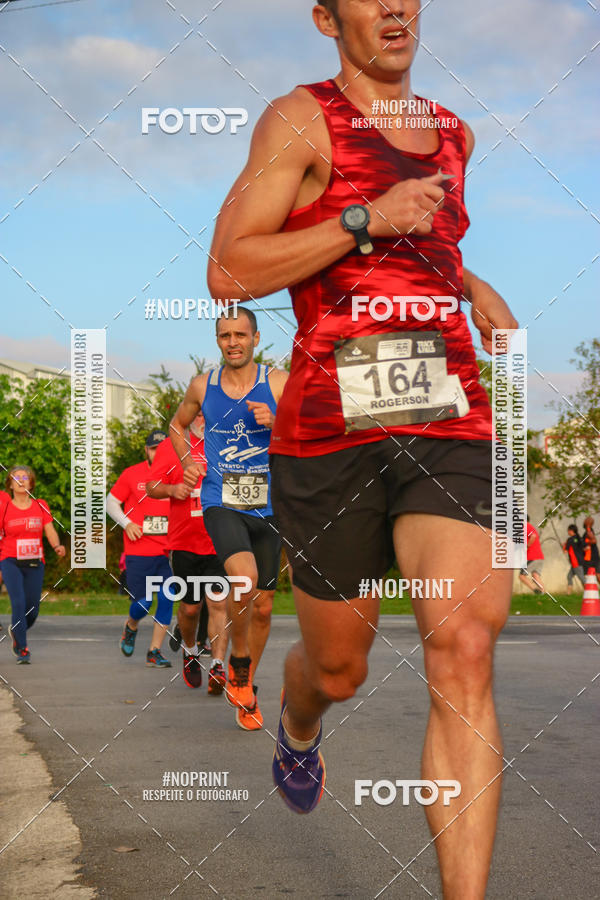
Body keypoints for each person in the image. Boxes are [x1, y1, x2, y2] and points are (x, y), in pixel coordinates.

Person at [206, 2, 520, 896]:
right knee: (339, 669)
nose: (395, 6)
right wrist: (360, 221)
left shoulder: (452, 134)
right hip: (328, 429)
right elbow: (231, 268)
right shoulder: (301, 119)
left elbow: (429, 244)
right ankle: (300, 720)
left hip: (448, 414)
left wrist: (471, 283)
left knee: (464, 645)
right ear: (325, 17)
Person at [170, 307, 288, 730]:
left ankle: (246, 682)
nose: (233, 341)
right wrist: (187, 461)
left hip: (270, 506)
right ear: (217, 340)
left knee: (263, 606)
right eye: (225, 335)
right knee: (243, 581)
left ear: (256, 339)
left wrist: (279, 421)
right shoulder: (204, 385)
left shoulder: (277, 382)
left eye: (241, 334)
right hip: (223, 500)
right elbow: (177, 425)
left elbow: (308, 429)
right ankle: (237, 659)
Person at [147, 414, 228, 692]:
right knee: (191, 608)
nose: (203, 417)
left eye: (208, 410)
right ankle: (191, 650)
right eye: (197, 411)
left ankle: (218, 667)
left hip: (219, 540)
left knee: (218, 603)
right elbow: (152, 486)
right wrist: (173, 488)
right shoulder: (172, 446)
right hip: (184, 543)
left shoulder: (225, 441)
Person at [107, 431, 173, 667]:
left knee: (167, 598)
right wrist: (127, 523)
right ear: (146, 450)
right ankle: (131, 625)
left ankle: (154, 652)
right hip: (138, 552)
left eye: (163, 448)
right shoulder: (132, 473)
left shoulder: (175, 475)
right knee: (143, 604)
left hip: (165, 554)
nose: (158, 453)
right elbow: (111, 502)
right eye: (154, 448)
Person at [0, 466, 65, 663]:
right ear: (10, 484)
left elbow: (50, 530)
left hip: (35, 561)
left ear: (31, 482)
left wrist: (57, 545)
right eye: (16, 477)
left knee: (33, 609)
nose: (21, 480)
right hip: (10, 560)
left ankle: (16, 630)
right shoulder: (3, 506)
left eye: (25, 477)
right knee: (18, 602)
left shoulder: (40, 505)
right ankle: (22, 648)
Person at [519, 516, 545, 594]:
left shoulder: (526, 525)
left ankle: (536, 590)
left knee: (521, 576)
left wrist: (527, 546)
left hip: (533, 557)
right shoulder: (528, 527)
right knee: (535, 575)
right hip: (539, 556)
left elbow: (533, 536)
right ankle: (542, 593)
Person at [563, 524, 585, 594]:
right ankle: (568, 593)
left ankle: (590, 591)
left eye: (568, 530)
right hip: (579, 561)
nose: (567, 532)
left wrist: (564, 546)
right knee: (569, 576)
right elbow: (586, 547)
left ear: (571, 531)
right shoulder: (579, 538)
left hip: (575, 562)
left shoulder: (570, 540)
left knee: (582, 578)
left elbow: (565, 551)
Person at [582, 516, 600, 585]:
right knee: (597, 574)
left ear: (587, 523)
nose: (583, 522)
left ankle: (589, 589)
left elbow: (594, 541)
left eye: (585, 520)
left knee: (586, 574)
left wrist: (586, 544)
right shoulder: (589, 530)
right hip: (593, 556)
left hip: (591, 557)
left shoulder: (589, 531)